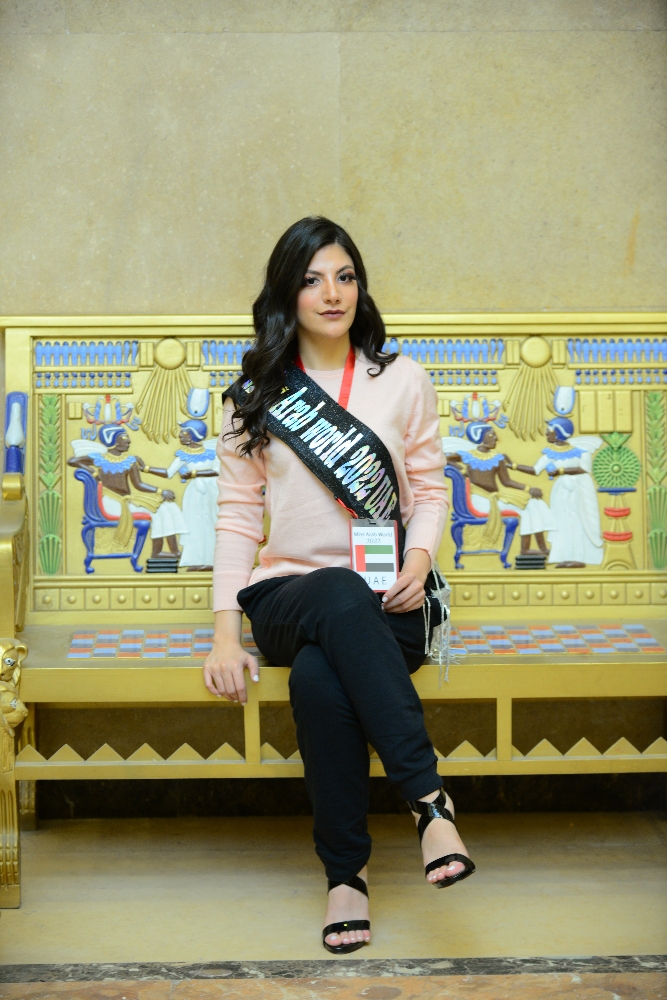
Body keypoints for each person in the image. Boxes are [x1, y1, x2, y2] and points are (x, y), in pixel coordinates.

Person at [203, 217, 475, 955]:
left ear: (360, 286)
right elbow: (236, 519)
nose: (332, 293)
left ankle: (345, 878)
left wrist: (418, 561)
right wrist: (226, 635)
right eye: (312, 279)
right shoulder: (257, 394)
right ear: (286, 294)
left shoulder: (402, 379)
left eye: (345, 276)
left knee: (319, 678)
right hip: (288, 598)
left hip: (390, 597)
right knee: (332, 590)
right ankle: (429, 802)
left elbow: (429, 491)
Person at [68, 425, 187, 558]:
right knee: (158, 511)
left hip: (125, 501)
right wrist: (92, 472)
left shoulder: (130, 461)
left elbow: (139, 485)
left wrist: (160, 491)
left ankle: (174, 551)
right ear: (112, 440)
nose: (129, 441)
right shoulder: (99, 458)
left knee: (168, 506)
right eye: (124, 437)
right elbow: (72, 460)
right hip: (110, 503)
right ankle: (157, 552)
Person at [444, 422, 553, 554]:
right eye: (492, 435)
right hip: (479, 500)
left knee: (533, 503)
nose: (496, 438)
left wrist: (528, 489)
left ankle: (541, 548)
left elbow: (507, 482)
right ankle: (526, 549)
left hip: (495, 498)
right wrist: (461, 469)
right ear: (481, 437)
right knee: (526, 508)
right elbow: (444, 458)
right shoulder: (467, 455)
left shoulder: (498, 458)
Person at [516, 417, 603, 568]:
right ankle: (565, 555)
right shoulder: (550, 453)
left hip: (580, 490)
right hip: (561, 492)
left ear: (558, 432)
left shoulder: (582, 452)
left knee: (579, 520)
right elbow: (535, 470)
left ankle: (580, 557)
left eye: (549, 430)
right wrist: (512, 465)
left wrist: (561, 471)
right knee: (562, 521)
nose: (545, 433)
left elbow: (585, 469)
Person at [146, 420, 220, 570]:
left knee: (211, 522)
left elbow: (217, 471)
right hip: (195, 494)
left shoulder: (212, 453)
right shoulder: (183, 455)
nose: (180, 436)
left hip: (211, 492)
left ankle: (213, 561)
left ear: (193, 434)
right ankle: (196, 560)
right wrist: (146, 468)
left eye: (183, 432)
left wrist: (193, 473)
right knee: (194, 524)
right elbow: (168, 473)